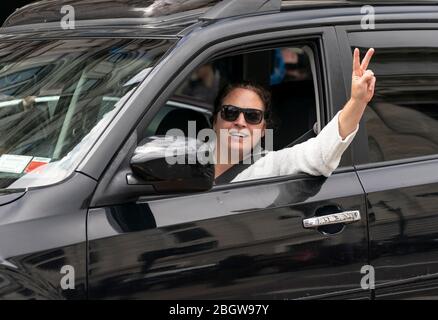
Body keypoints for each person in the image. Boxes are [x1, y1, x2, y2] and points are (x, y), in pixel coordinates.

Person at [212, 48, 376, 183]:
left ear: (263, 129)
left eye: (252, 116)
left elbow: (319, 153)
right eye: (231, 112)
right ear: (215, 120)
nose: (240, 122)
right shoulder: (192, 154)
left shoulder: (269, 166)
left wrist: (357, 101)